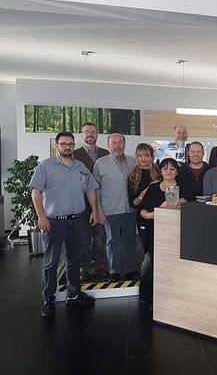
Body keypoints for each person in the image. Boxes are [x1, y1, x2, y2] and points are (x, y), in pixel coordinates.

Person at [30, 132, 98, 317]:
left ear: (74, 145)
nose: (67, 147)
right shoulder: (46, 166)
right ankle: (49, 299)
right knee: (51, 261)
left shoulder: (81, 167)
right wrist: (41, 216)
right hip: (54, 222)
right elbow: (36, 192)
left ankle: (74, 294)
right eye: (63, 144)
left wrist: (94, 210)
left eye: (70, 144)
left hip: (78, 220)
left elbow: (91, 189)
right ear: (57, 146)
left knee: (75, 259)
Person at [139, 158, 187, 306]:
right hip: (155, 232)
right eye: (165, 168)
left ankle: (170, 297)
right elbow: (142, 210)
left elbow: (189, 201)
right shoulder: (153, 188)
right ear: (160, 171)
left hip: (178, 233)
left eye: (172, 169)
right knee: (149, 264)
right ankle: (146, 297)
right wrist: (150, 215)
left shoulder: (183, 186)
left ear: (177, 172)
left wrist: (174, 202)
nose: (169, 171)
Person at [93, 133, 138, 283]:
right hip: (110, 209)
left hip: (129, 209)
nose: (117, 146)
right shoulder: (100, 163)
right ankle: (114, 271)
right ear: (108, 145)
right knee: (112, 241)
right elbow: (95, 188)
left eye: (120, 142)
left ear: (124, 144)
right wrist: (98, 210)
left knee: (131, 240)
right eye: (114, 143)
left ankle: (131, 270)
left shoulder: (133, 162)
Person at [73, 122, 110, 281]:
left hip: (100, 202)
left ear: (97, 134)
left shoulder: (105, 153)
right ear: (81, 134)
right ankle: (84, 268)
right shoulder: (74, 155)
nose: (90, 134)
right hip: (81, 202)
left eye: (93, 132)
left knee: (100, 235)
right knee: (83, 237)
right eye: (86, 132)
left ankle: (100, 266)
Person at [127, 143, 161, 253]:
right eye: (140, 155)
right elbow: (133, 203)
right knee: (147, 248)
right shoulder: (133, 177)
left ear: (152, 157)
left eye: (146, 155)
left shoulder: (160, 173)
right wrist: (144, 192)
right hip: (143, 216)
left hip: (160, 214)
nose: (143, 158)